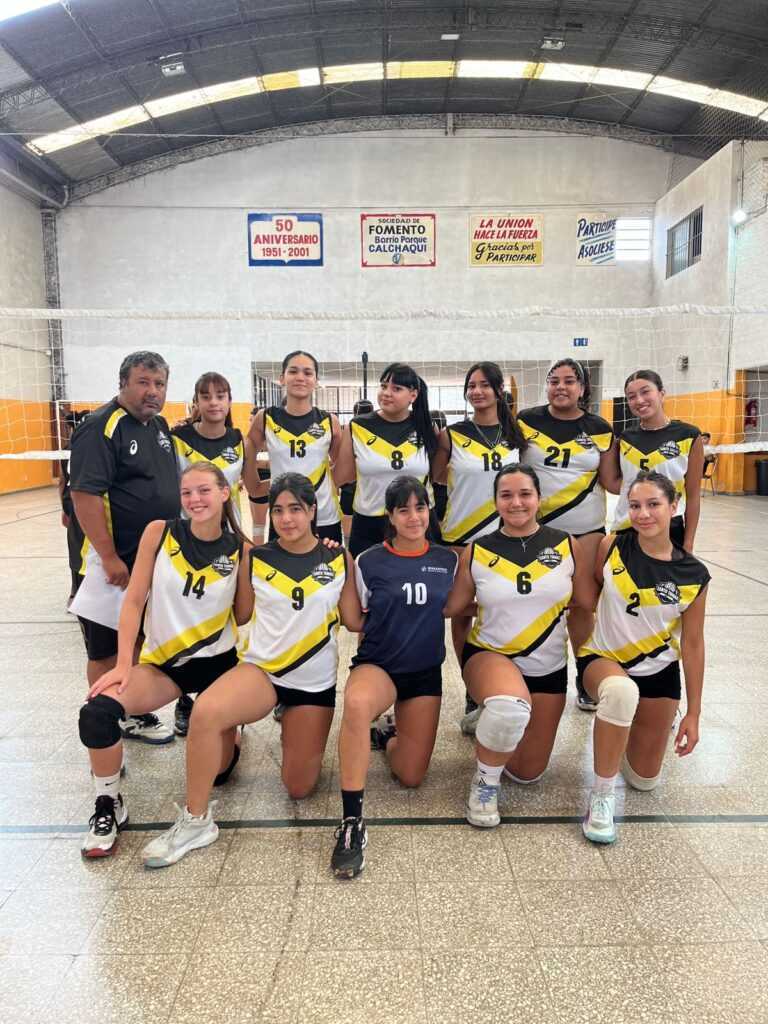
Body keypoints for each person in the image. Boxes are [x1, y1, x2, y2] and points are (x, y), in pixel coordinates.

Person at [140, 473, 362, 868]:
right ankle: (196, 820)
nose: (287, 519)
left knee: (298, 787)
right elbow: (239, 614)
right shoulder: (254, 557)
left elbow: (354, 620)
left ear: (313, 510)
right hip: (263, 673)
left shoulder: (337, 557)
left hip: (313, 684)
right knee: (206, 711)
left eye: (296, 509)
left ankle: (288, 722)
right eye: (278, 510)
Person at [78, 462, 250, 857]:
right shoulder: (159, 533)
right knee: (97, 713)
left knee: (220, 773)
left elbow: (242, 616)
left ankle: (232, 728)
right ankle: (108, 803)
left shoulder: (241, 551)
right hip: (162, 666)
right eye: (187, 492)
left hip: (218, 666)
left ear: (225, 493)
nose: (194, 499)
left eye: (204, 490)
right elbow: (134, 600)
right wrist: (124, 664)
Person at [442, 465, 594, 828]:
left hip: (547, 665)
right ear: (495, 501)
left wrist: (588, 666)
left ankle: (491, 720)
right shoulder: (477, 550)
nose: (516, 503)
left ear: (539, 498)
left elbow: (585, 604)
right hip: (491, 655)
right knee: (509, 708)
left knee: (528, 773)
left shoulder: (566, 545)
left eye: (525, 494)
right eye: (506, 495)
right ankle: (484, 784)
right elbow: (453, 609)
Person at [330, 476, 458, 879]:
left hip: (424, 673)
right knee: (356, 704)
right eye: (403, 509)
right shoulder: (368, 561)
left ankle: (387, 736)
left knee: (411, 776)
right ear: (390, 516)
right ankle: (351, 821)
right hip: (379, 665)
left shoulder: (449, 560)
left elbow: (461, 606)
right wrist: (335, 560)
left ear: (429, 511)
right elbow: (354, 621)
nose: (413, 517)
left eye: (420, 507)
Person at [577, 471, 710, 845]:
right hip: (604, 659)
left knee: (643, 780)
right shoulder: (611, 546)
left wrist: (694, 714)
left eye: (653, 504)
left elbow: (694, 645)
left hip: (659, 671)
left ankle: (620, 731)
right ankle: (602, 796)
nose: (643, 513)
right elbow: (589, 597)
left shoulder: (694, 573)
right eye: (635, 505)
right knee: (620, 694)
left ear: (674, 506)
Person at [70, 351, 180, 745]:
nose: (153, 391)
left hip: (147, 561)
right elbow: (84, 495)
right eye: (143, 382)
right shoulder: (101, 426)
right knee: (103, 651)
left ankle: (129, 710)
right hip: (109, 567)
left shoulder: (159, 426)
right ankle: (105, 722)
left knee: (134, 641)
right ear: (123, 384)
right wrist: (109, 557)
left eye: (159, 384)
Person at [431, 362, 527, 732]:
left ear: (499, 391)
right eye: (471, 385)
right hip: (459, 536)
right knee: (462, 615)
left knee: (501, 611)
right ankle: (473, 689)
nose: (477, 391)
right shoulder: (452, 435)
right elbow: (437, 478)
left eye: (485, 385)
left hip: (505, 539)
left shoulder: (516, 435)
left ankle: (503, 682)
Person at [518, 359, 614, 712]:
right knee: (534, 601)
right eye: (554, 380)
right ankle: (528, 674)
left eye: (569, 381)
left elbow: (611, 481)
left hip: (586, 529)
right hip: (537, 530)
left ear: (582, 388)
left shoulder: (599, 428)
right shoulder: (526, 420)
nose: (561, 386)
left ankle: (586, 676)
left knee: (584, 605)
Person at [171, 372, 249, 737]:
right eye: (206, 396)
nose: (214, 402)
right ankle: (185, 697)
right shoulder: (178, 439)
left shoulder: (238, 439)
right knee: (189, 611)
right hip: (188, 541)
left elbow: (250, 486)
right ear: (197, 402)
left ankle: (221, 689)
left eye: (221, 395)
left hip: (227, 538)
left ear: (230, 401)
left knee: (225, 613)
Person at [334, 363, 438, 557]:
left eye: (396, 388)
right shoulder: (357, 427)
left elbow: (438, 475)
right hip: (370, 523)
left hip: (416, 521)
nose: (386, 393)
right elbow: (341, 477)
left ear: (413, 395)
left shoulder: (427, 427)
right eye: (383, 386)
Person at [248, 351, 343, 543]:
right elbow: (247, 457)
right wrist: (258, 487)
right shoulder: (265, 418)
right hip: (284, 517)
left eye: (307, 373)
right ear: (282, 378)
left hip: (324, 516)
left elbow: (342, 469)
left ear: (316, 381)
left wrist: (320, 483)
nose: (300, 377)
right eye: (293, 371)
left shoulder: (329, 421)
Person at [611, 370, 705, 552]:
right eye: (631, 396)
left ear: (661, 393)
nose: (639, 400)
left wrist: (688, 543)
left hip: (669, 529)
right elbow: (618, 482)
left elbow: (693, 496)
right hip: (627, 526)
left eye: (645, 392)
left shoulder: (689, 435)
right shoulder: (624, 438)